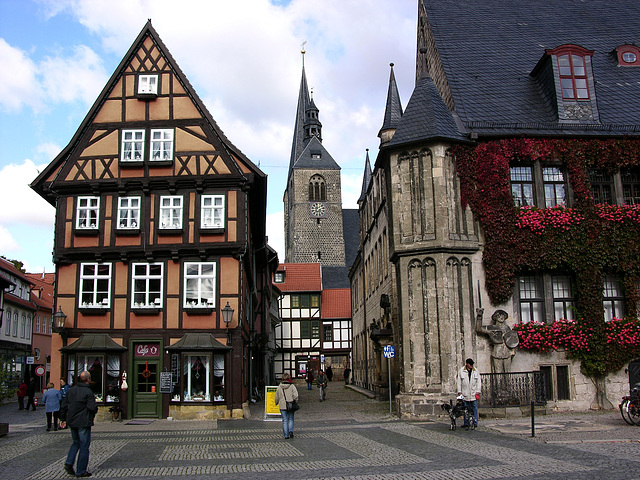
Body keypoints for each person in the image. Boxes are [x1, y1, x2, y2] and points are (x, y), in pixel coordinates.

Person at [59, 370, 98, 477]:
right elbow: (92, 407)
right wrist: (93, 413)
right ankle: (81, 470)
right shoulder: (88, 392)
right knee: (84, 446)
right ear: (88, 379)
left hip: (72, 420)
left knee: (75, 443)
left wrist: (62, 418)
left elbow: (64, 405)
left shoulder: (71, 390)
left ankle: (69, 462)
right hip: (84, 421)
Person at [476, 308, 519, 374]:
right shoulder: (492, 327)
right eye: (499, 315)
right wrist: (479, 317)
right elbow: (479, 329)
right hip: (497, 352)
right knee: (498, 373)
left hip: (507, 352)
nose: (501, 317)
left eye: (503, 316)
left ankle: (507, 384)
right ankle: (498, 384)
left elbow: (511, 339)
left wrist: (513, 350)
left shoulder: (507, 328)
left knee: (508, 373)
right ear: (495, 317)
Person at [456, 358, 481, 429]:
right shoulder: (461, 371)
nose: (471, 366)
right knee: (465, 409)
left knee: (474, 408)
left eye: (472, 364)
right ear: (467, 364)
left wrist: (478, 391)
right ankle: (466, 422)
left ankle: (475, 421)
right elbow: (459, 382)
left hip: (473, 392)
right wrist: (459, 391)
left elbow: (478, 382)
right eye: (470, 364)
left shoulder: (475, 371)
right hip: (465, 393)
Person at [274, 373, 298, 440]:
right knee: (291, 418)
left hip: (282, 405)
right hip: (290, 404)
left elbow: (277, 396)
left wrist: (276, 402)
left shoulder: (279, 387)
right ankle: (291, 431)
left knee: (284, 420)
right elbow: (296, 395)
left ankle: (286, 435)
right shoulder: (292, 386)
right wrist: (295, 401)